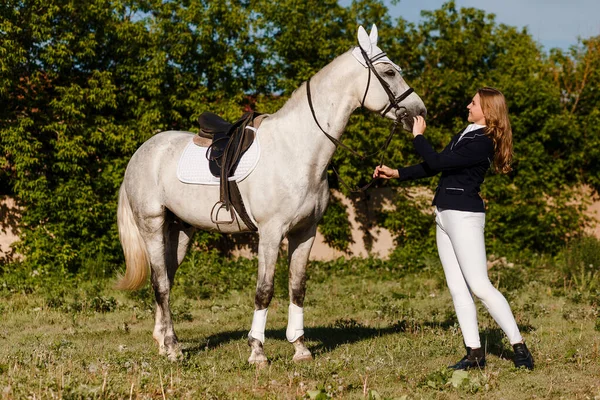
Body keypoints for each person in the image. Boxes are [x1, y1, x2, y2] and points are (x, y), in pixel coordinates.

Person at [373, 87, 534, 370]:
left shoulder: (483, 141)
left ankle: (519, 347)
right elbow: (436, 167)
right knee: (457, 288)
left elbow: (435, 161)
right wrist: (398, 173)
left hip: (464, 216)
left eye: (473, 103)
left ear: (487, 110)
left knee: (480, 286)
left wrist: (418, 136)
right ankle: (474, 353)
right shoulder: (467, 133)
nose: (468, 105)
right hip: (444, 213)